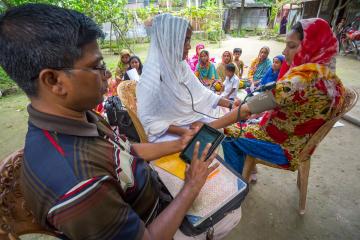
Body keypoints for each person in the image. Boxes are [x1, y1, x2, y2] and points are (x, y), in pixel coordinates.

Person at [0, 4, 223, 240]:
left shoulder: (78, 115)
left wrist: (179, 144)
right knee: (229, 214)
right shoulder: (77, 183)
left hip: (152, 194)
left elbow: (127, 150)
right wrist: (191, 187)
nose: (107, 75)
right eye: (97, 67)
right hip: (155, 223)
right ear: (54, 80)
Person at [199, 18, 345, 175]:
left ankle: (236, 182)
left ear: (312, 47)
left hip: (284, 148)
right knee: (243, 120)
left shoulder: (300, 81)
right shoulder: (333, 81)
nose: (284, 52)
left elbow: (246, 110)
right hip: (302, 144)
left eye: (292, 46)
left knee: (228, 131)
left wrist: (210, 126)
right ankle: (248, 168)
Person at [137, 14, 239, 143]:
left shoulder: (180, 65)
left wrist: (229, 103)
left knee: (218, 132)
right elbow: (148, 121)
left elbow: (201, 92)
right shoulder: (152, 75)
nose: (189, 46)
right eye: (185, 40)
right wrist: (186, 132)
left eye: (189, 40)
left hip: (185, 121)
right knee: (209, 138)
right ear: (169, 40)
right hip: (163, 134)